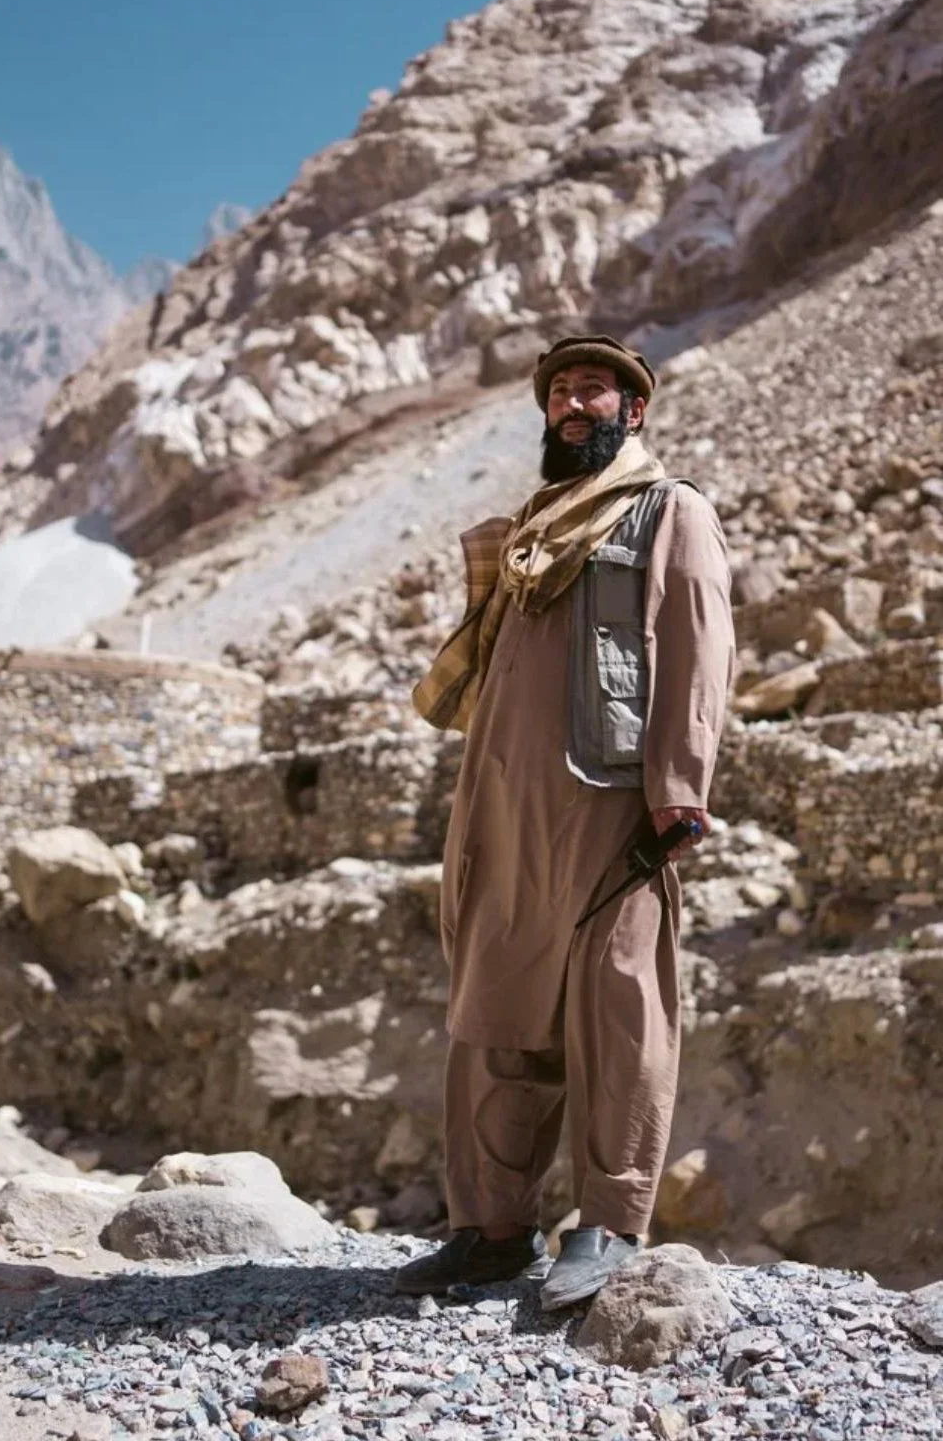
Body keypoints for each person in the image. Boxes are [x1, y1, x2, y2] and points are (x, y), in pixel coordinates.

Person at [397, 334, 735, 1310]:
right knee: (496, 1013)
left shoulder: (668, 509)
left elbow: (694, 642)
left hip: (606, 801)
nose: (573, 405)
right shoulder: (528, 534)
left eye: (594, 390)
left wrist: (677, 787)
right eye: (560, 394)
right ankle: (492, 1229)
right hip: (504, 808)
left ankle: (608, 1223)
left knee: (615, 1008)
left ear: (633, 412)